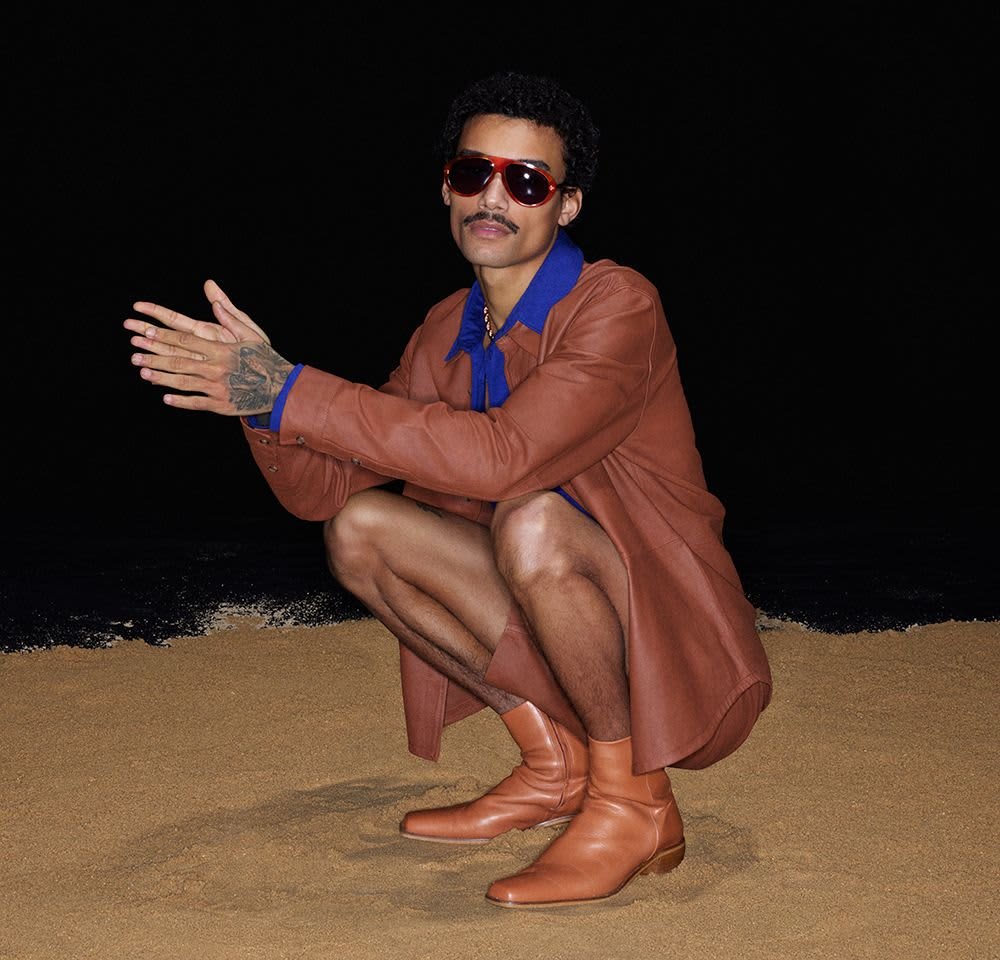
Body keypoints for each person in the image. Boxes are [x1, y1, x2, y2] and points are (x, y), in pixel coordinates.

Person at [124, 70, 773, 908]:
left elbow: (506, 458)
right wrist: (261, 404)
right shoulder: (445, 330)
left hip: (675, 647)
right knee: (360, 531)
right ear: (446, 186)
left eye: (527, 182)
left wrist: (295, 388)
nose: (493, 198)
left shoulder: (617, 305)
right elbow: (322, 491)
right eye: (474, 173)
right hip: (565, 627)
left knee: (533, 521)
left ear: (565, 205)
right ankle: (555, 764)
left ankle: (635, 801)